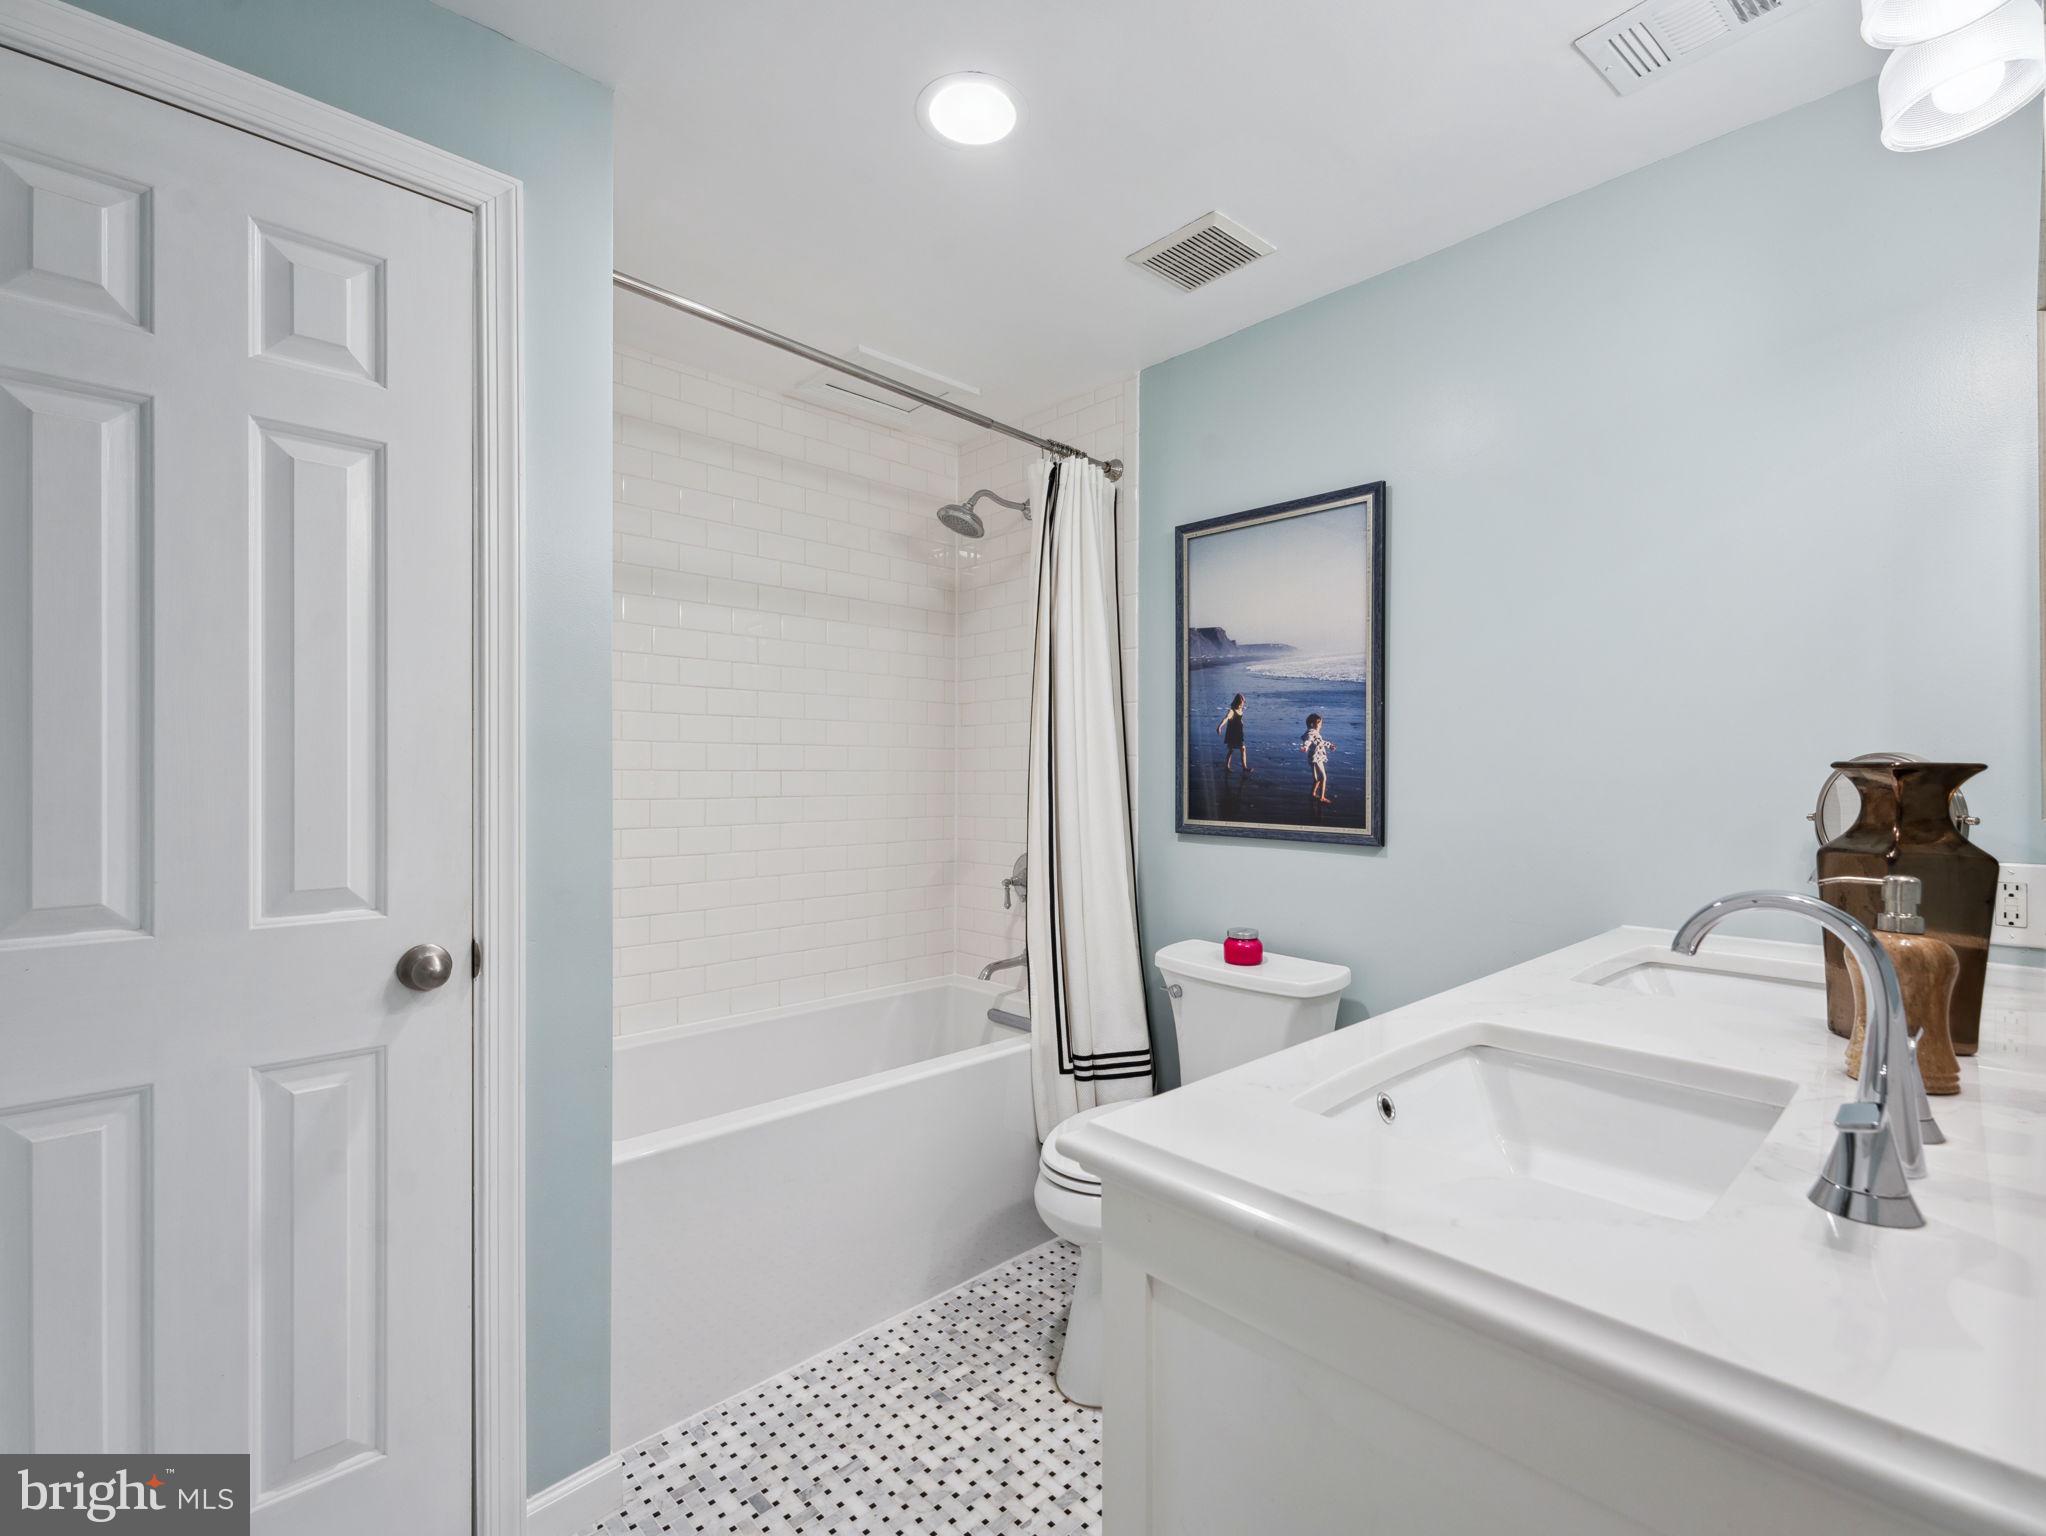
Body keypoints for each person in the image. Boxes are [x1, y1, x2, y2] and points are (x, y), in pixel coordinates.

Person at [1299, 712, 1335, 805]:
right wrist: (1305, 747)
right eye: (1319, 724)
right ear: (1312, 724)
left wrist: (1329, 745)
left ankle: (1313, 794)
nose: (1321, 725)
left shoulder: (1315, 733)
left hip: (1315, 758)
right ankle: (1322, 797)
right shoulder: (1311, 732)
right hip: (1316, 758)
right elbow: (1308, 740)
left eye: (1321, 723)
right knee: (1323, 777)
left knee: (1317, 778)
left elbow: (1320, 742)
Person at [1218, 693, 1251, 774]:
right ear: (1238, 701)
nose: (1243, 703)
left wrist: (1241, 722)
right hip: (1233, 733)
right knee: (1231, 750)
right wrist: (1220, 726)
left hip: (1239, 733)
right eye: (1242, 701)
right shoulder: (1231, 711)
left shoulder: (1240, 709)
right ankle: (1227, 767)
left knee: (1243, 749)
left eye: (1244, 701)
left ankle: (1244, 767)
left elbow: (1239, 718)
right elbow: (1226, 718)